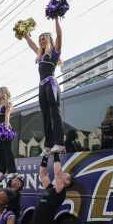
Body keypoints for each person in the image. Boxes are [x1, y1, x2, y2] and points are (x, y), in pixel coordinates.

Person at [23, 20, 65, 155]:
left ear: (48, 40)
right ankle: (48, 145)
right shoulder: (40, 54)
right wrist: (24, 34)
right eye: (40, 39)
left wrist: (57, 18)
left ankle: (59, 143)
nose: (41, 41)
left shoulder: (54, 52)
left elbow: (59, 35)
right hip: (41, 86)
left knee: (54, 113)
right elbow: (32, 45)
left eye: (43, 39)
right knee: (45, 116)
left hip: (51, 84)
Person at [0, 87, 17, 173]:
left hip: (5, 127)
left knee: (7, 151)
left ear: (4, 93)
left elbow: (7, 116)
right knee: (0, 152)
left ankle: (12, 171)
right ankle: (2, 171)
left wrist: (6, 128)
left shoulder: (8, 104)